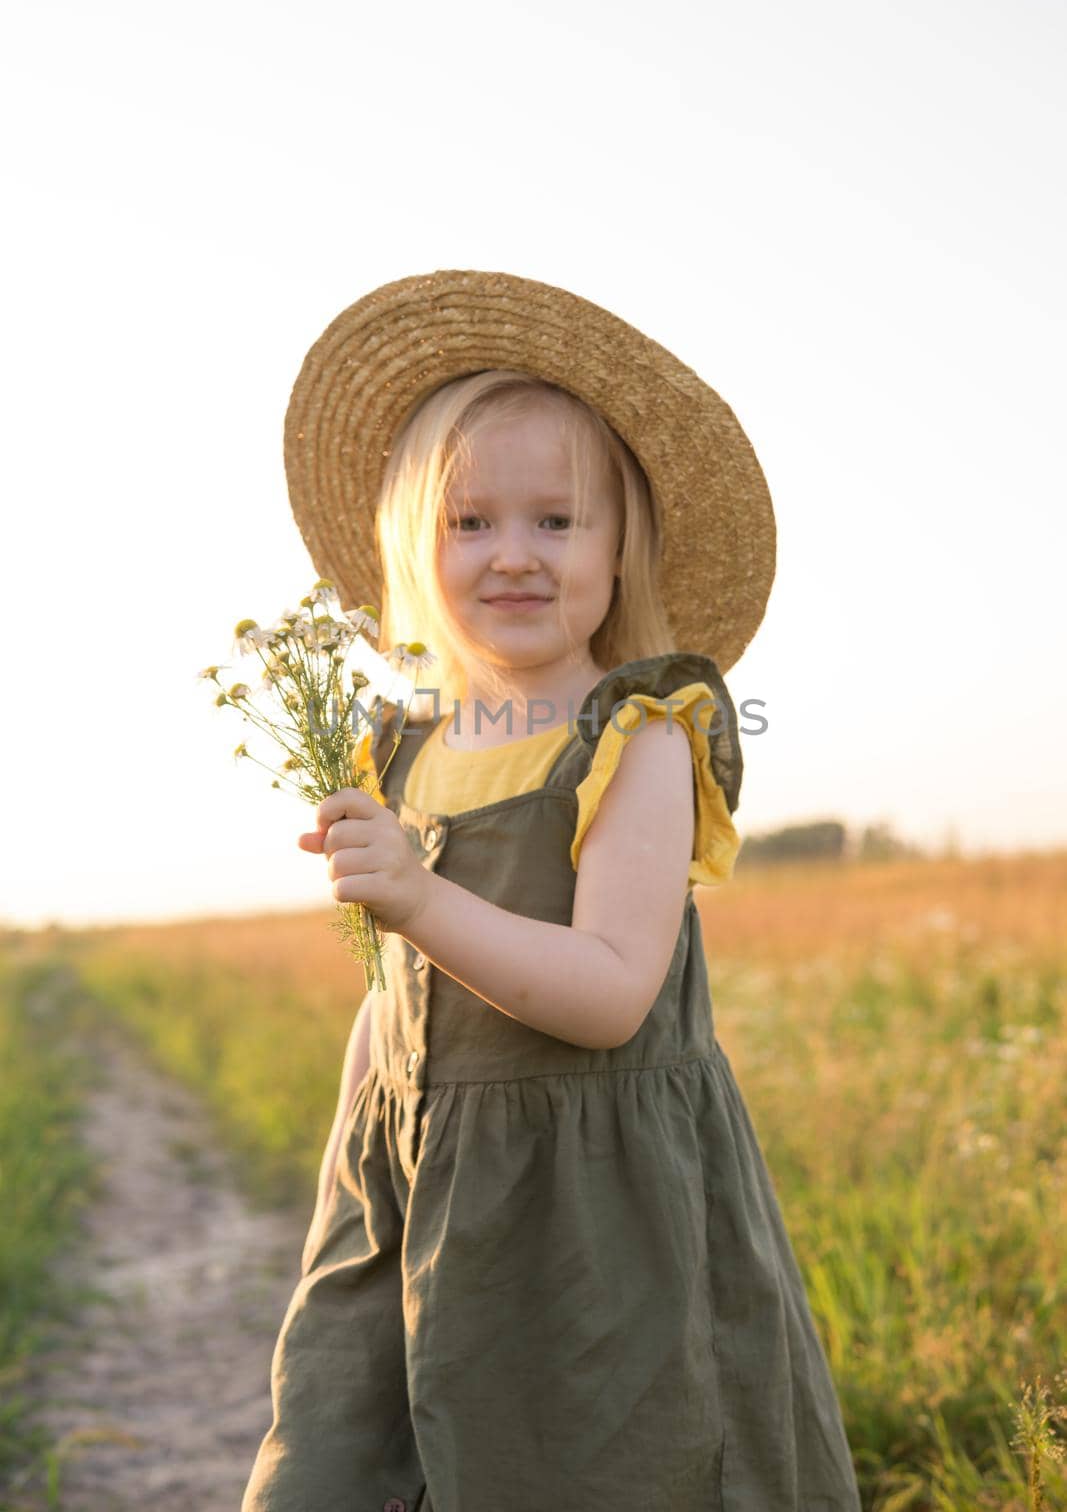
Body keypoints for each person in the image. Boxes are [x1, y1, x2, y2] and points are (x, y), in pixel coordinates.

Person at [241, 269, 862, 1512]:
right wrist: (361, 1146)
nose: (512, 555)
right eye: (470, 523)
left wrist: (418, 897)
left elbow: (609, 994)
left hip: (593, 1216)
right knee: (338, 1457)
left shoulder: (636, 733)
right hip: (413, 1185)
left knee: (593, 1462)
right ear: (416, 546)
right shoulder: (401, 746)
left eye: (556, 522)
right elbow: (394, 994)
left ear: (619, 541)